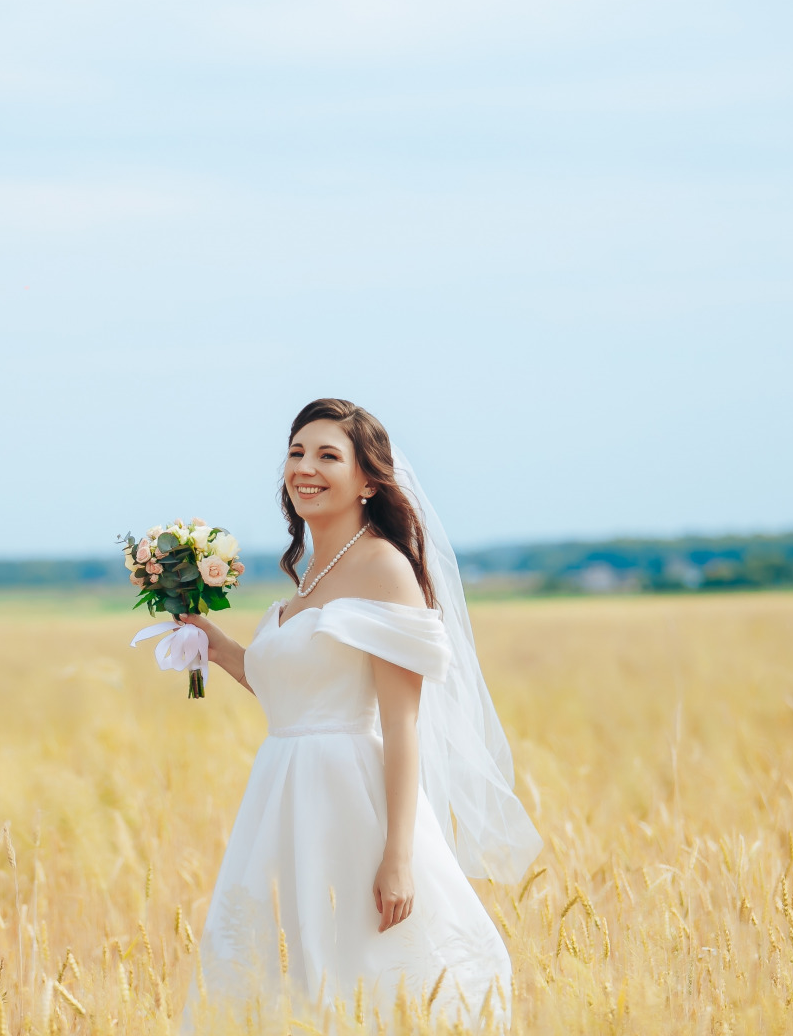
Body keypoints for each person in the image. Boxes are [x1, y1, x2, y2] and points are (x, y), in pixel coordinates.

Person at [176, 398, 542, 1031]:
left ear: (369, 480)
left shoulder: (383, 568)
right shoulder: (310, 574)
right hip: (283, 796)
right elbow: (293, 696)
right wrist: (207, 636)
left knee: (376, 972)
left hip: (354, 801)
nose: (305, 469)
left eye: (327, 455)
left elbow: (401, 724)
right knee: (301, 976)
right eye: (296, 453)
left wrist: (397, 855)